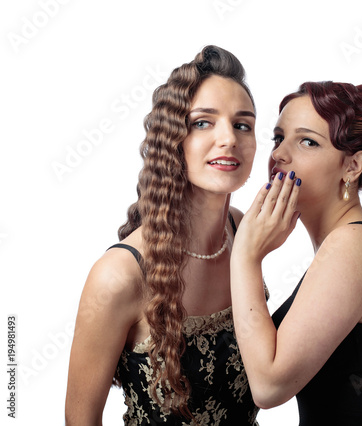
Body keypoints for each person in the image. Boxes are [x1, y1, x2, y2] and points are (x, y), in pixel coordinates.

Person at [65, 45, 261, 425]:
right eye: (203, 122)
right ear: (172, 139)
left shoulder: (242, 231)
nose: (229, 139)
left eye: (243, 124)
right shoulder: (118, 275)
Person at [230, 82, 362, 425]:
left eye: (307, 142)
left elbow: (269, 387)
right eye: (278, 138)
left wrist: (245, 257)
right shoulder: (344, 243)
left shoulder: (355, 245)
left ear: (352, 166)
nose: (279, 154)